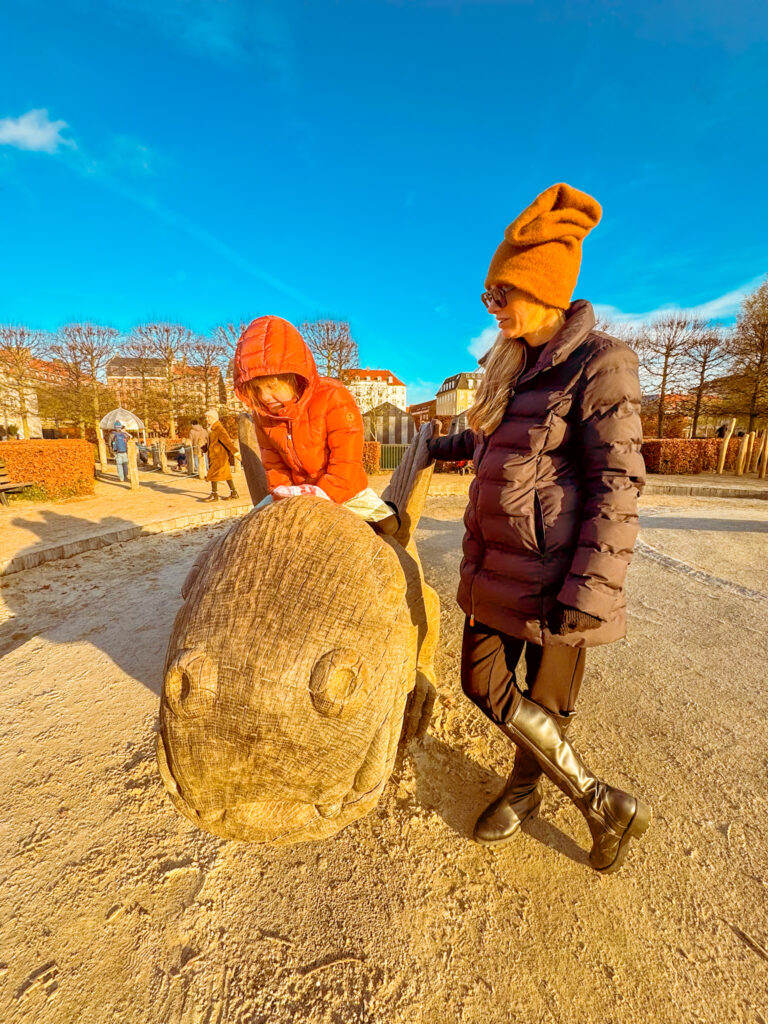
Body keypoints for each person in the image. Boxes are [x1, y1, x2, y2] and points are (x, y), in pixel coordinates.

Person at [428, 183, 650, 874]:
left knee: (547, 701)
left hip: (563, 576)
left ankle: (526, 790)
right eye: (488, 295)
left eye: (501, 293)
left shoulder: (602, 363)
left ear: (543, 288)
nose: (491, 307)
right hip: (497, 565)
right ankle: (600, 800)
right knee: (482, 681)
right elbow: (495, 439)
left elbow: (618, 482)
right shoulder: (509, 364)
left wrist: (591, 590)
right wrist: (439, 446)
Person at [233, 315, 398, 532]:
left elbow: (346, 462)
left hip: (344, 489)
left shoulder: (334, 397)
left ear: (293, 377)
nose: (264, 396)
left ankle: (393, 519)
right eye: (256, 389)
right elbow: (274, 466)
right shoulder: (264, 416)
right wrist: (285, 495)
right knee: (254, 526)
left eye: (272, 386)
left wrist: (320, 498)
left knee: (388, 525)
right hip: (297, 492)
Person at [203, 409, 239, 501]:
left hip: (219, 457)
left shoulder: (219, 429)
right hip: (217, 456)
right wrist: (204, 448)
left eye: (208, 417)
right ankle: (234, 493)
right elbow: (213, 442)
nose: (207, 419)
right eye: (206, 417)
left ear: (214, 418)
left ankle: (214, 495)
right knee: (226, 475)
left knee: (213, 474)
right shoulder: (212, 429)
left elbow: (227, 442)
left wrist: (236, 453)